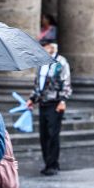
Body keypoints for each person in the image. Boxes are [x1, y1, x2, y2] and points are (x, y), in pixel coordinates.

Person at [26, 41, 72, 176]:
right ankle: (48, 162)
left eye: (44, 47)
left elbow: (66, 82)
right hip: (43, 103)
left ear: (52, 48)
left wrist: (63, 100)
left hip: (55, 103)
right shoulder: (41, 62)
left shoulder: (61, 62)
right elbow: (38, 84)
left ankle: (53, 164)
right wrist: (32, 99)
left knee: (53, 134)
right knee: (44, 134)